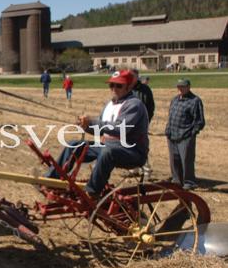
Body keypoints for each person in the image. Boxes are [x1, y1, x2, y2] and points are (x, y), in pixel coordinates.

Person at [45, 70, 149, 198]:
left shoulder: (134, 105)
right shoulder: (110, 104)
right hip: (109, 146)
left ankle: (92, 192)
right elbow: (100, 130)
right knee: (75, 145)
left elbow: (119, 129)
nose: (114, 89)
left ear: (129, 87)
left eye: (119, 85)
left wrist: (93, 121)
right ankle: (51, 180)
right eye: (111, 85)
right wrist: (86, 126)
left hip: (132, 151)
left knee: (108, 152)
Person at [165, 78, 205, 190]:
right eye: (178, 86)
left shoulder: (195, 101)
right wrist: (168, 130)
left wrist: (192, 133)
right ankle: (176, 180)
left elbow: (199, 121)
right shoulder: (175, 100)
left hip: (185, 136)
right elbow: (170, 115)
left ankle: (189, 182)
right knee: (174, 160)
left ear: (188, 87)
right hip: (172, 134)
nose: (179, 89)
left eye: (182, 86)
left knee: (186, 160)